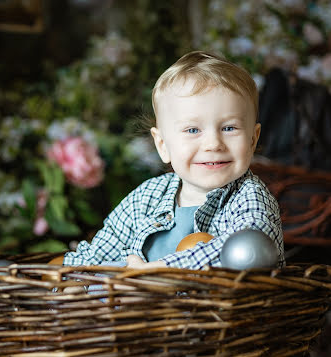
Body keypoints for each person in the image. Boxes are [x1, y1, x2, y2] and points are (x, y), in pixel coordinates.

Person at [63, 50, 285, 271]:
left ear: (252, 139)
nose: (213, 144)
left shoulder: (249, 196)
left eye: (229, 128)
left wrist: (163, 268)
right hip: (138, 304)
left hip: (219, 305)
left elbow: (252, 247)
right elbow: (103, 248)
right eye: (192, 130)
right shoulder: (147, 197)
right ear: (162, 145)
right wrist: (71, 279)